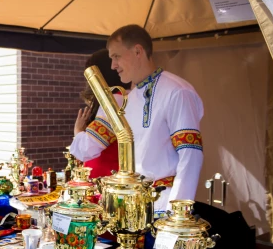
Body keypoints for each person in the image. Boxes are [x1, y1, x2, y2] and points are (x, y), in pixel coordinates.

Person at [107, 24, 204, 214]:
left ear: (137, 51)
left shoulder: (177, 91)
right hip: (134, 208)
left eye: (116, 56)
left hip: (164, 207)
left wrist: (177, 216)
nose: (113, 65)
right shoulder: (131, 98)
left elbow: (190, 155)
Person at [70, 49, 130, 178]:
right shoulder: (123, 96)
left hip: (107, 177)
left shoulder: (116, 100)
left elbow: (87, 148)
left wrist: (78, 131)